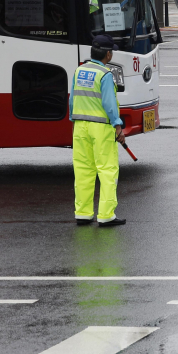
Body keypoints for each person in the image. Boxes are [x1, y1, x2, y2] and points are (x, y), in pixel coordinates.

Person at [70, 34, 126, 227]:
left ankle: (83, 213)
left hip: (80, 127)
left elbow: (72, 100)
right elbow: (110, 105)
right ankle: (106, 215)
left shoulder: (79, 71)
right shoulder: (105, 74)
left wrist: (74, 119)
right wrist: (118, 127)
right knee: (107, 170)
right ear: (108, 55)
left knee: (83, 170)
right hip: (101, 127)